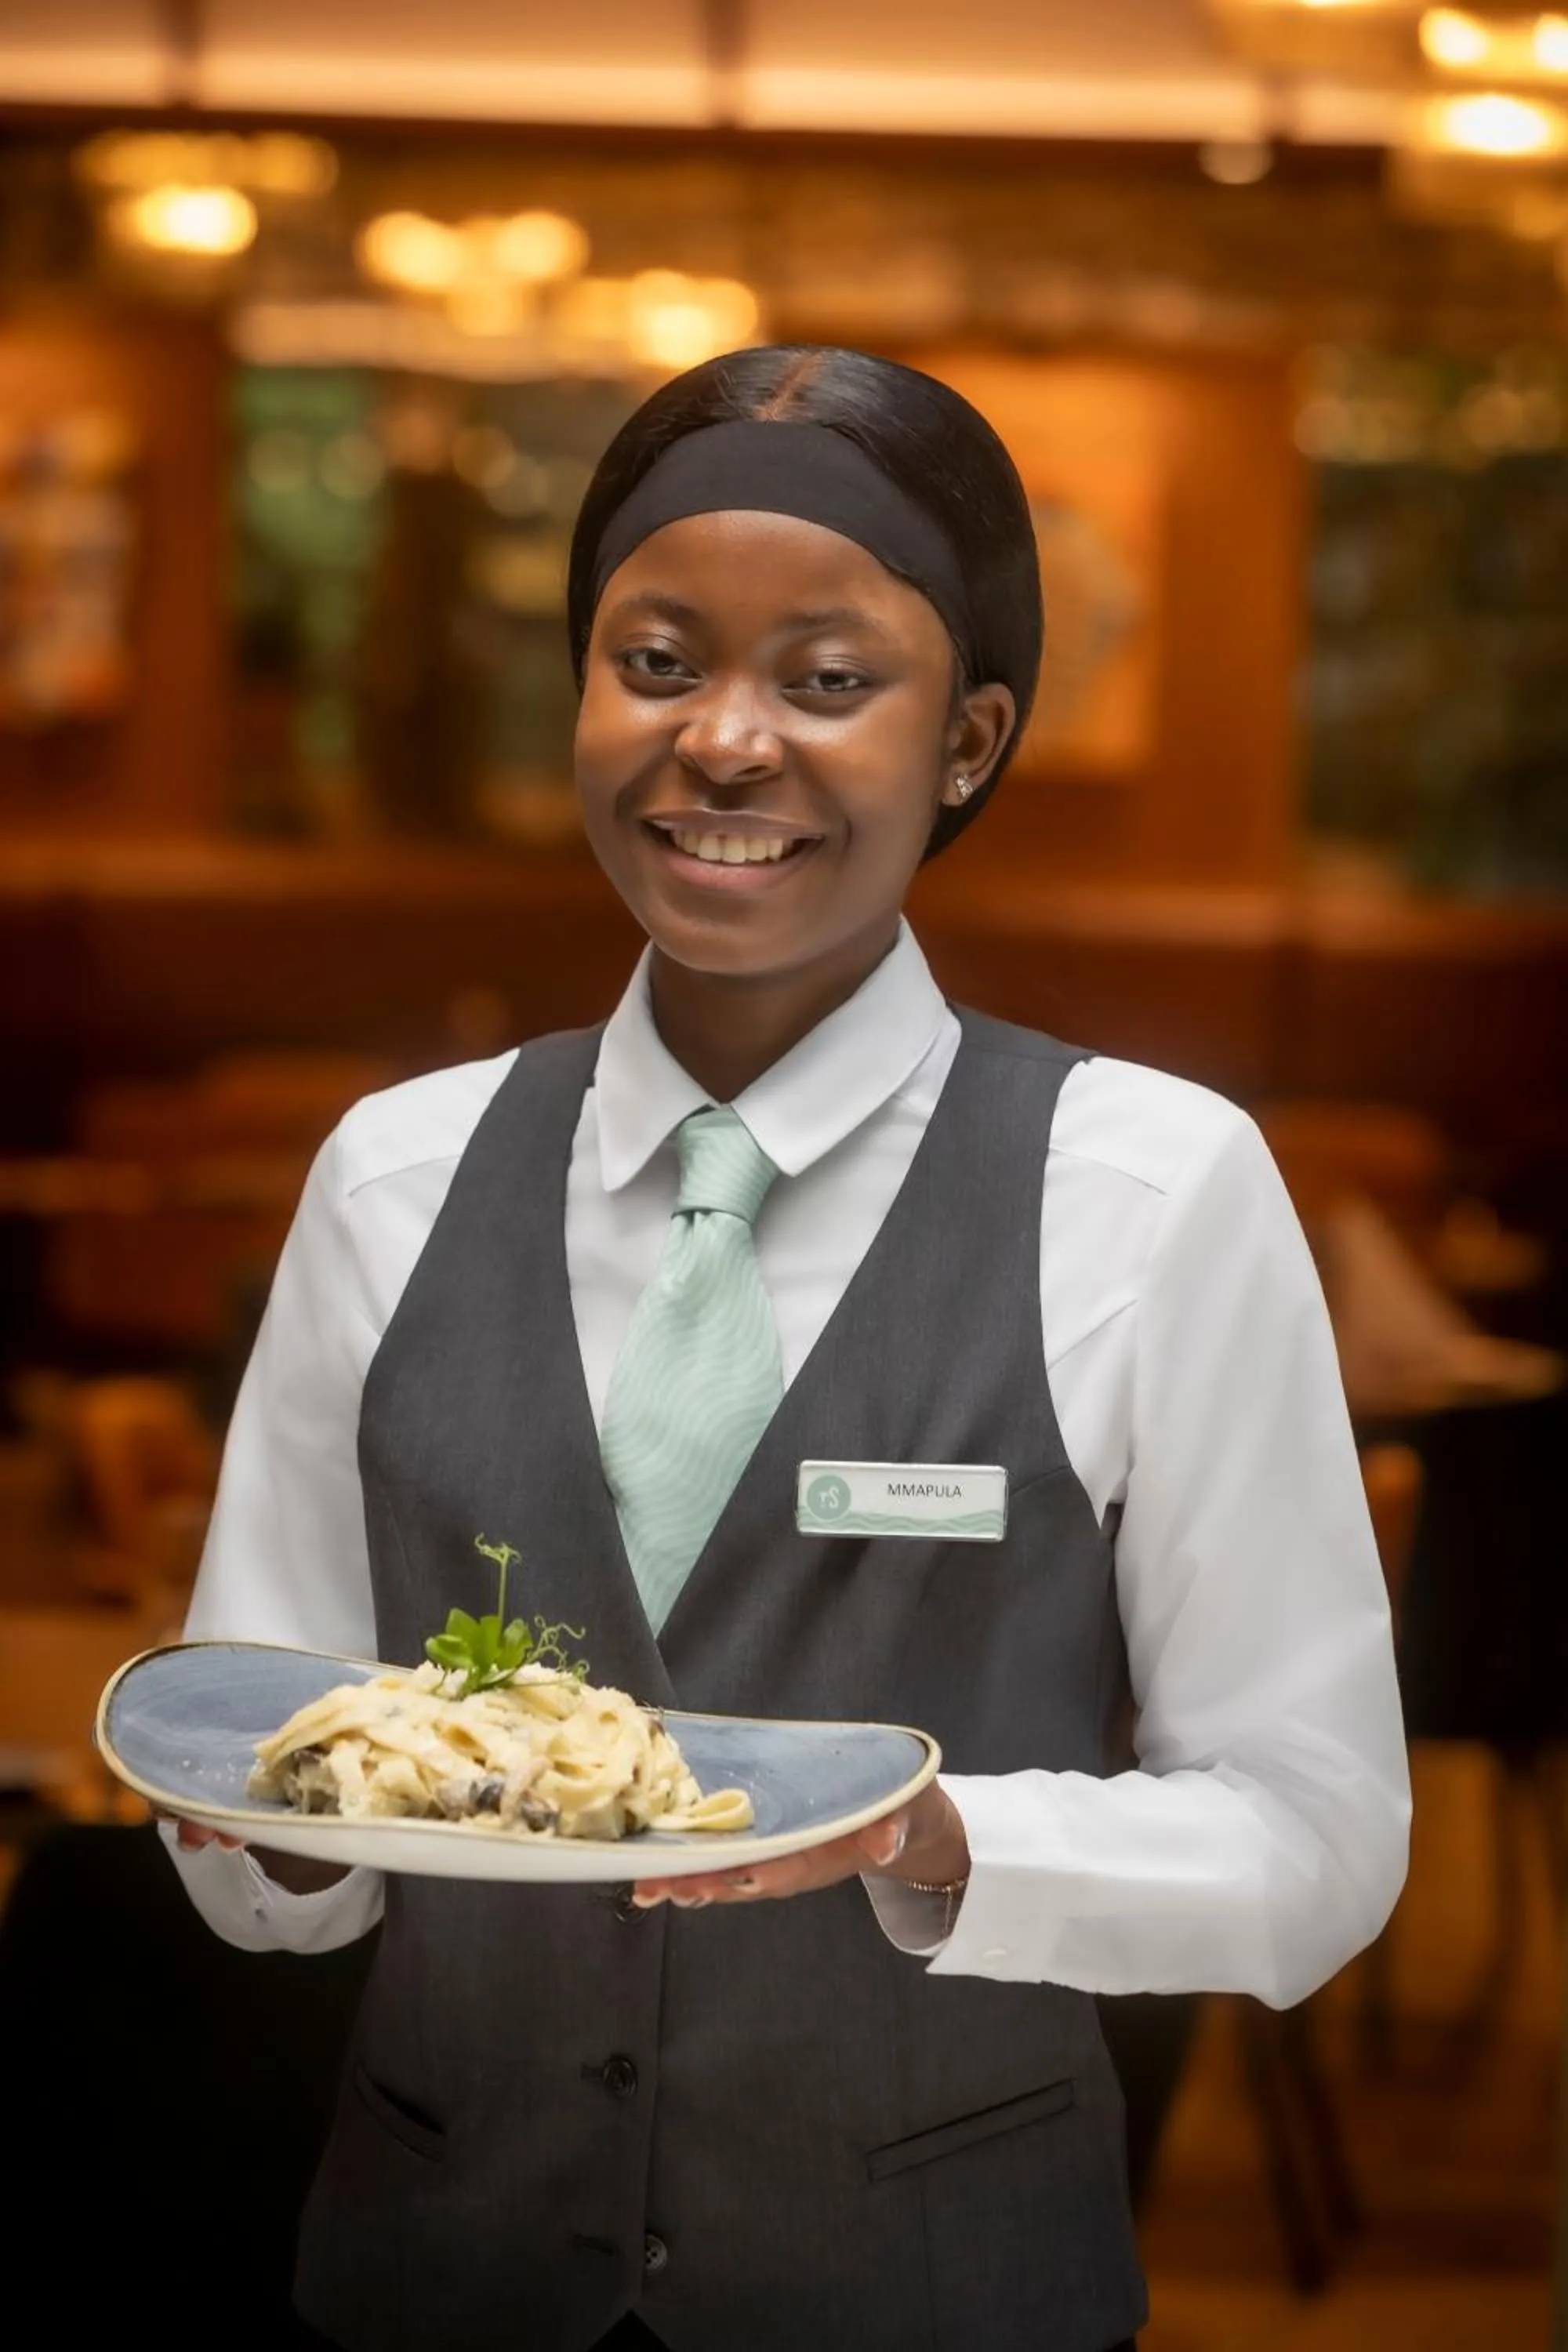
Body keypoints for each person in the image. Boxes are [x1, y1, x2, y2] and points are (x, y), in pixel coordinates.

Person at [165, 346, 1410, 2352]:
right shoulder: (391, 1176)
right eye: (654, 662)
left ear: (968, 738)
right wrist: (261, 1836)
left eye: (829, 683)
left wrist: (940, 1840)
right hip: (437, 2276)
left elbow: (1315, 1842)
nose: (722, 745)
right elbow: (267, 1824)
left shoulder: (1154, 1189)